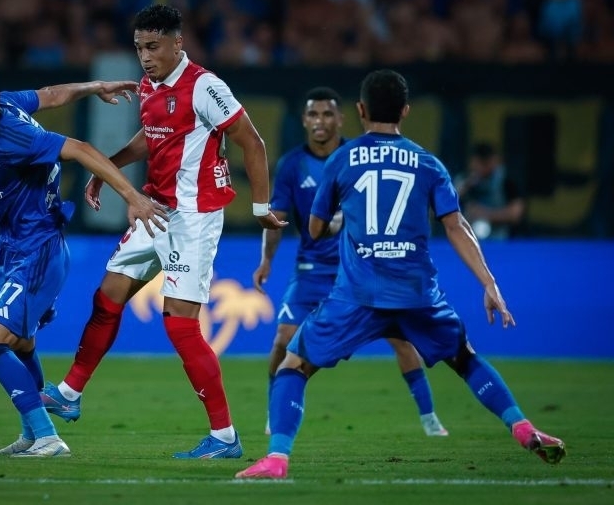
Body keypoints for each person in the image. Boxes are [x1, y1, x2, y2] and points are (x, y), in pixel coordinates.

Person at [236, 69, 566, 479]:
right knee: (465, 358)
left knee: (294, 363)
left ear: (360, 110)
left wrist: (338, 219)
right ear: (406, 111)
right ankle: (522, 426)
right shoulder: (428, 163)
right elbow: (456, 225)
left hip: (358, 294)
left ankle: (277, 458)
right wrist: (489, 283)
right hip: (417, 293)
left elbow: (316, 229)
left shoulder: (342, 159)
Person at [40, 4, 287, 459]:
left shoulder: (205, 86)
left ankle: (224, 437)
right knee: (108, 296)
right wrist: (107, 170)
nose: (145, 57)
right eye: (139, 48)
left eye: (153, 47)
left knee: (180, 325)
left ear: (178, 43)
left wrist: (260, 207)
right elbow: (151, 137)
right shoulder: (150, 86)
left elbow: (251, 140)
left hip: (194, 217)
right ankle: (70, 394)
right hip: (155, 209)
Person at [0, 64, 167, 458]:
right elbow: (51, 94)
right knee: (21, 342)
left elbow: (81, 149)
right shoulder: (8, 104)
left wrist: (133, 197)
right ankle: (32, 436)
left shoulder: (14, 136)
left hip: (38, 249)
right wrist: (95, 86)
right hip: (14, 245)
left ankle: (48, 436)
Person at [253, 86, 447, 437]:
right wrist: (266, 260)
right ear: (304, 120)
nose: (320, 121)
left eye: (327, 114)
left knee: (402, 340)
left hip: (359, 269)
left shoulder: (357, 157)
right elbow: (276, 218)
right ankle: (273, 410)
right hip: (311, 271)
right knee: (283, 339)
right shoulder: (292, 165)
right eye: (313, 114)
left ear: (341, 119)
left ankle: (430, 418)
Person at [454, 142, 525, 240]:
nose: (479, 168)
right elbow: (443, 208)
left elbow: (515, 214)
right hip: (467, 238)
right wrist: (464, 188)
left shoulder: (506, 180)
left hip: (502, 240)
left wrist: (486, 214)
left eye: (484, 163)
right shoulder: (463, 181)